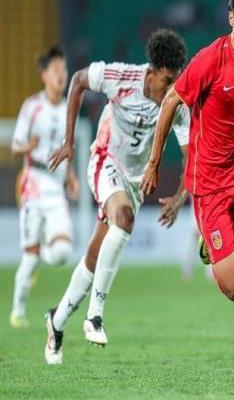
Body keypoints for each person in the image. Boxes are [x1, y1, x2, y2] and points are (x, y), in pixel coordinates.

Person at [141, 0, 234, 382]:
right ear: (231, 18)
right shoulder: (211, 60)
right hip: (209, 187)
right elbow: (170, 101)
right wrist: (154, 162)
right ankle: (209, 244)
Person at [44, 29, 189, 364]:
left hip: (134, 184)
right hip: (105, 161)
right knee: (124, 219)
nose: (171, 89)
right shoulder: (122, 77)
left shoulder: (177, 103)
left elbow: (190, 155)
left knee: (94, 257)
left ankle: (56, 321)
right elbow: (78, 81)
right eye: (167, 81)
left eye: (176, 81)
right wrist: (69, 141)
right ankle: (94, 315)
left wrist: (180, 195)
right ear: (151, 72)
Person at [10, 46, 79, 328]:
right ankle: (17, 311)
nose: (62, 75)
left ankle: (41, 255)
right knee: (28, 257)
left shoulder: (68, 109)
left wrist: (71, 175)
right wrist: (29, 145)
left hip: (57, 187)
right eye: (56, 70)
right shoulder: (32, 107)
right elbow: (15, 146)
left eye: (64, 70)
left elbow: (67, 147)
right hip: (34, 185)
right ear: (44, 75)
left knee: (62, 253)